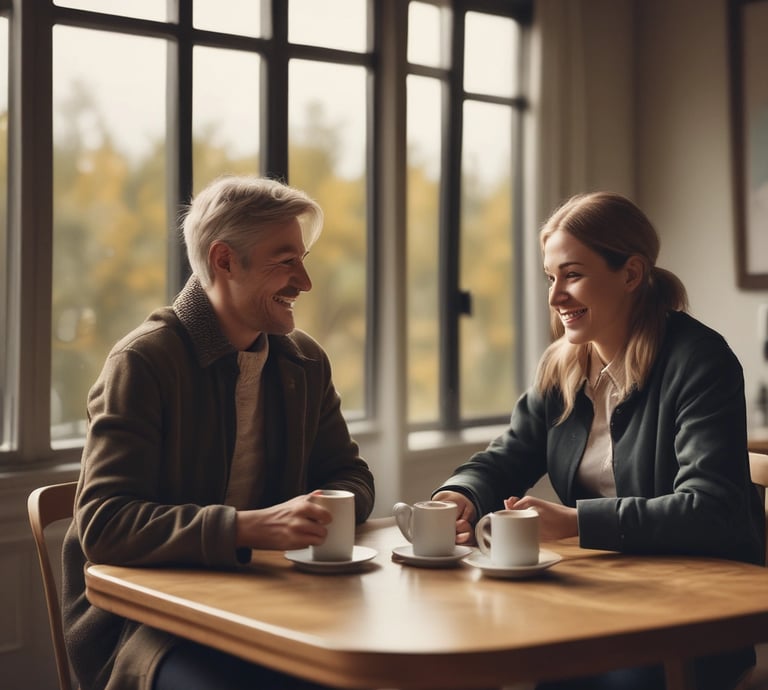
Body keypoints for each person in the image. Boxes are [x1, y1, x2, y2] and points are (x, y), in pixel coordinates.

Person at [432, 191, 764, 690]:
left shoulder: (700, 361)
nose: (555, 297)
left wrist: (574, 521)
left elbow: (710, 507)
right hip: (598, 593)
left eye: (572, 275)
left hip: (692, 613)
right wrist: (460, 493)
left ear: (630, 274)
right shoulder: (563, 366)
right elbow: (507, 457)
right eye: (551, 277)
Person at [61, 175, 376, 690]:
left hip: (273, 602)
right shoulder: (143, 361)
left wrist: (327, 508)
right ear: (225, 260)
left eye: (303, 260)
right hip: (150, 625)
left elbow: (349, 474)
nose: (305, 282)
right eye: (285, 261)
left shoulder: (305, 362)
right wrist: (249, 528)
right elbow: (103, 524)